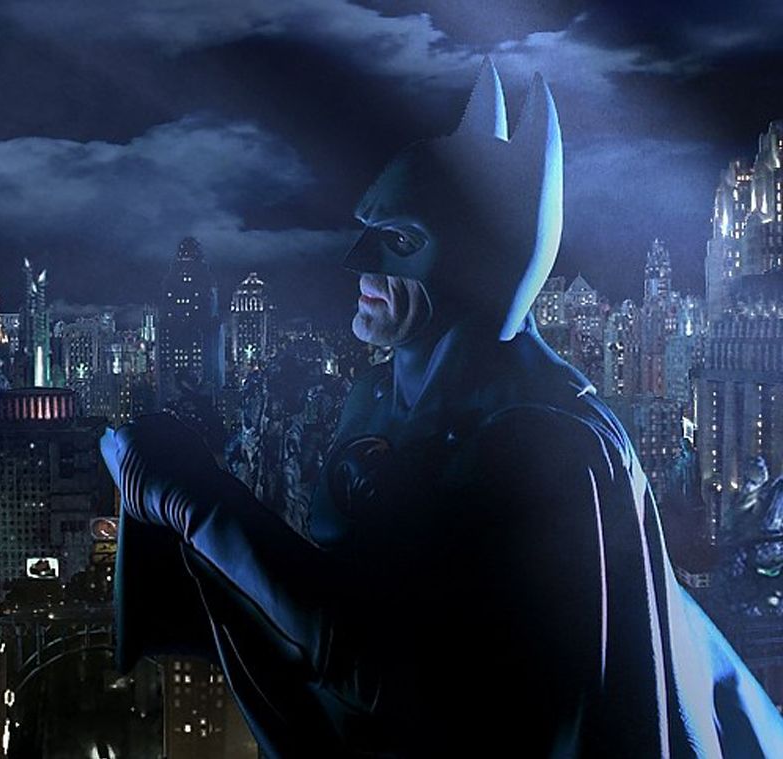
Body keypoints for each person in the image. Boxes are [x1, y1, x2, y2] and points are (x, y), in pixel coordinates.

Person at [101, 59, 783, 757]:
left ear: (476, 263)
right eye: (368, 227)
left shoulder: (547, 446)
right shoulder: (379, 400)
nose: (359, 260)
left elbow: (406, 672)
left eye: (399, 240)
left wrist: (201, 506)